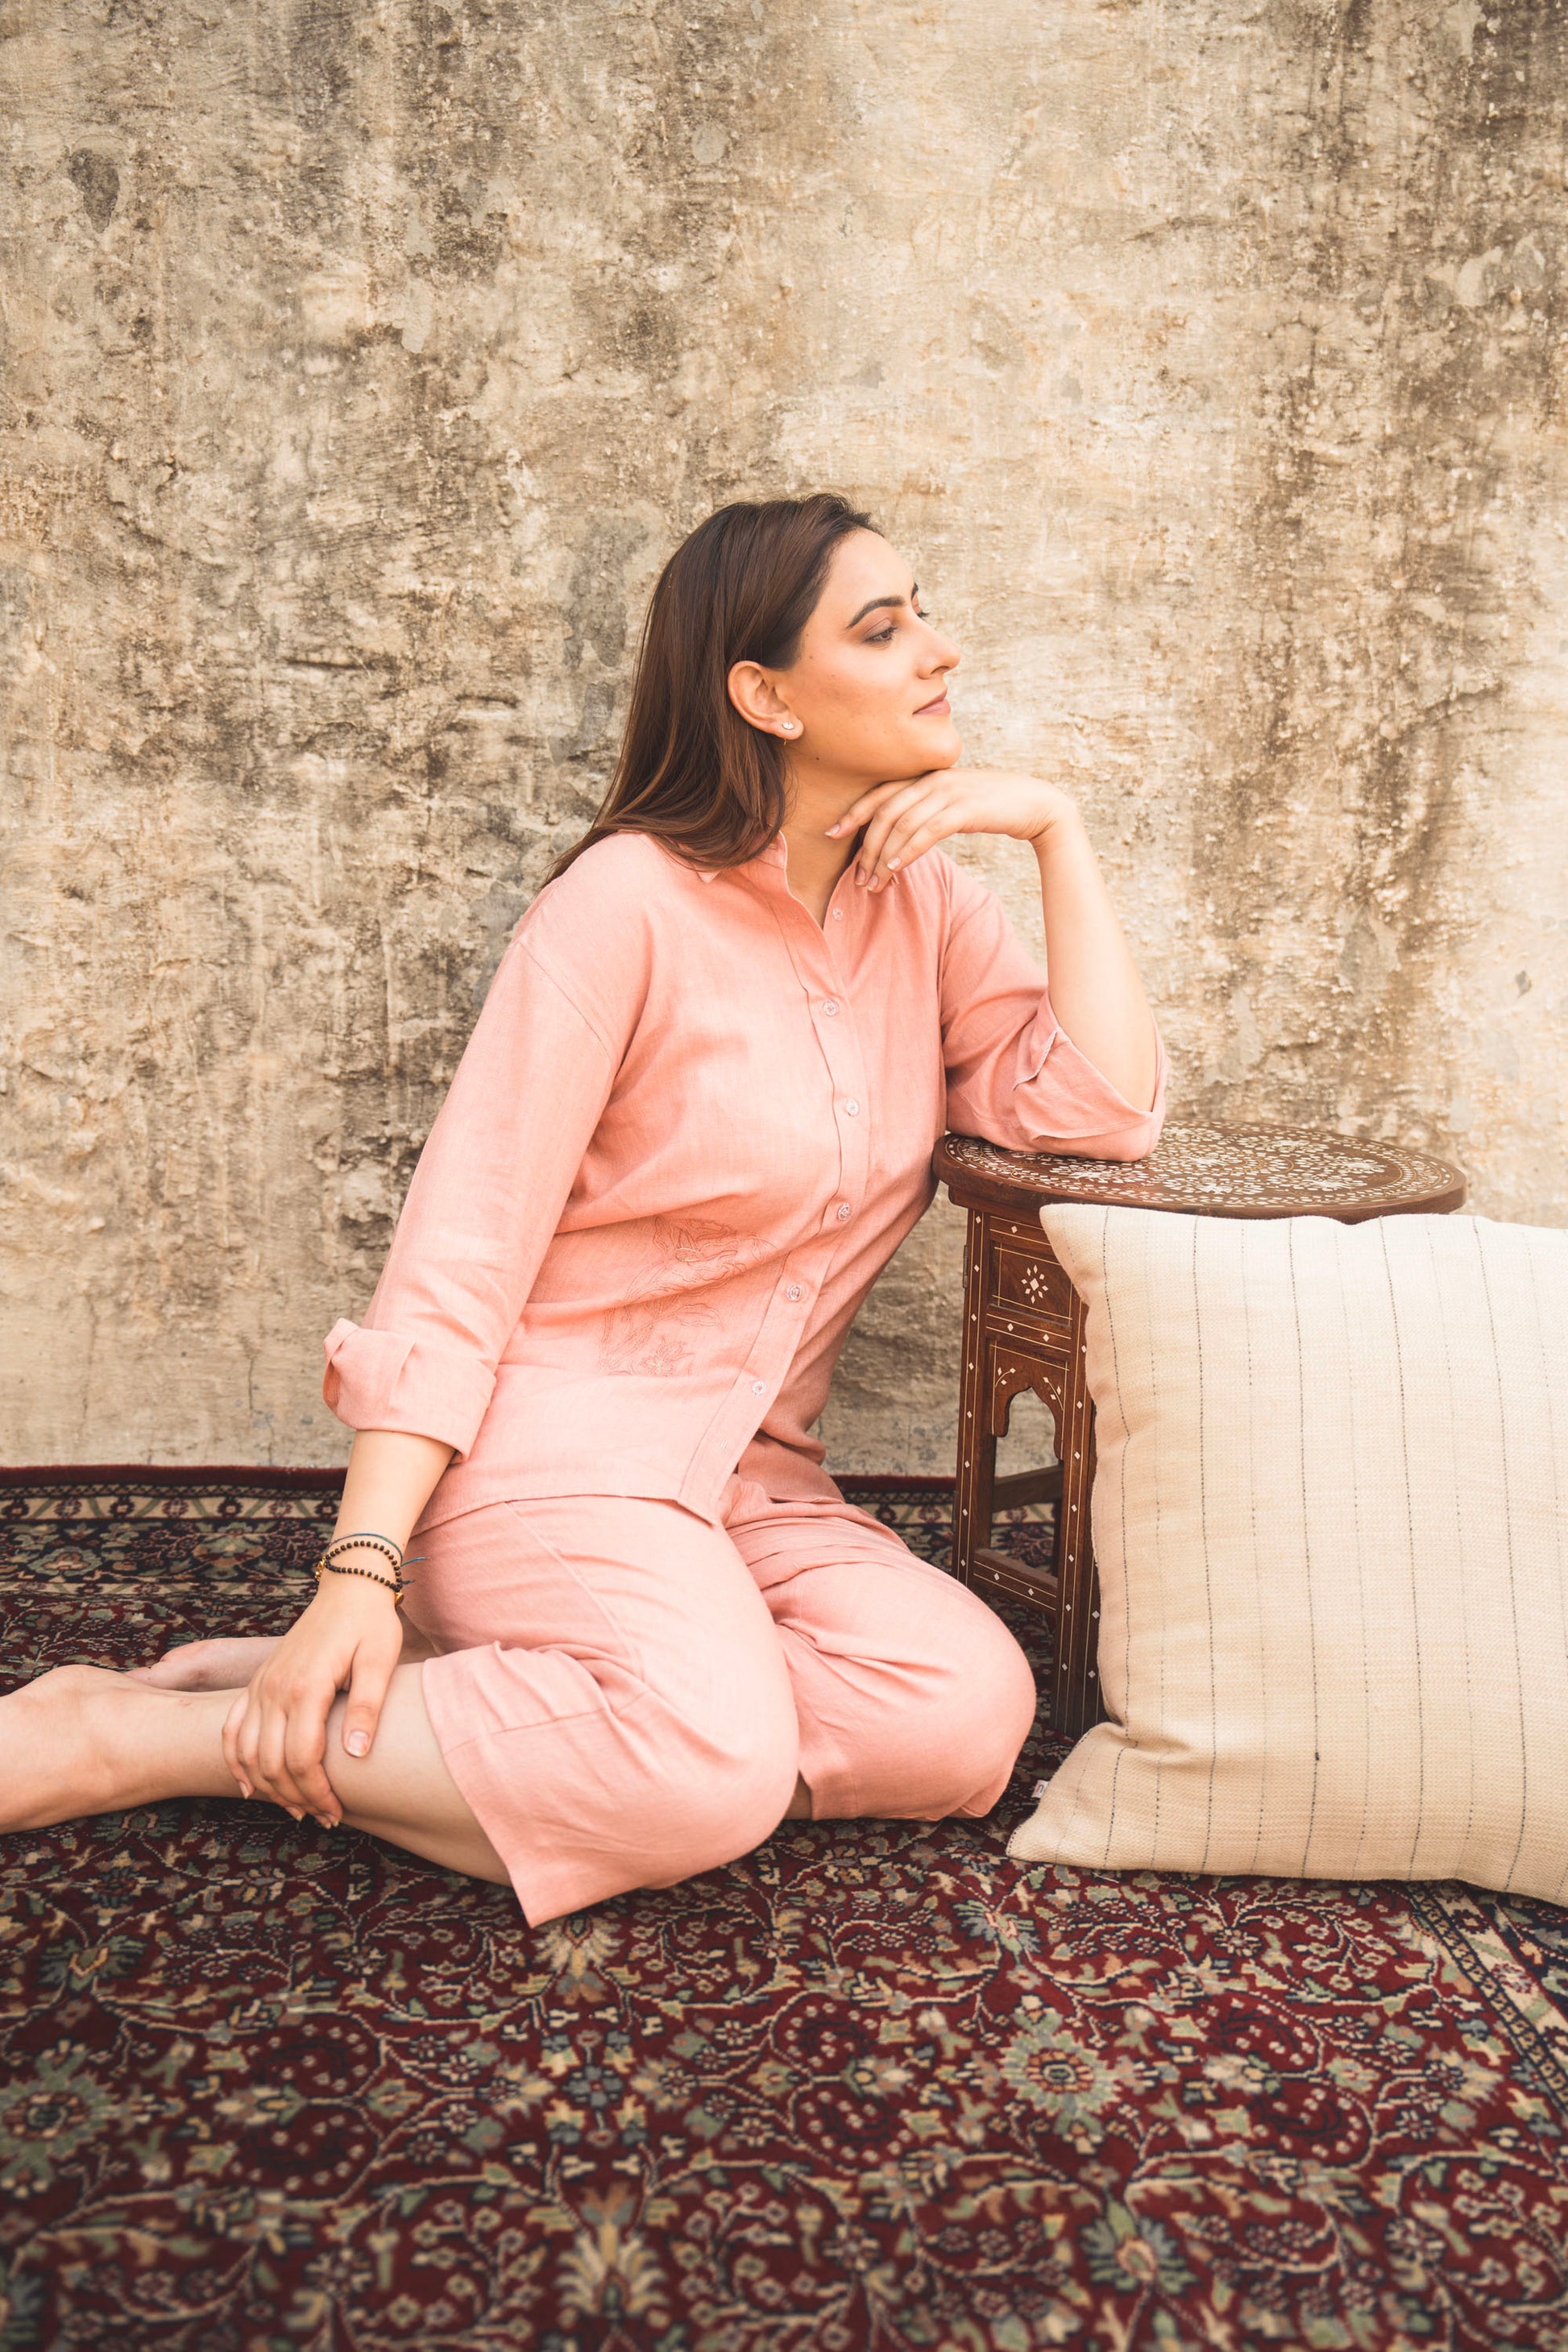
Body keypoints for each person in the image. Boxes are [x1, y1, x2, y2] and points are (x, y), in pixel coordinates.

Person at [1, 495, 1164, 1919]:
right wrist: (359, 1572)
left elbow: (1098, 1112)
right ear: (765, 696)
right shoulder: (620, 907)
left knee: (958, 1713)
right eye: (881, 629)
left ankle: (500, 1703)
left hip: (745, 1480)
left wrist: (1055, 832)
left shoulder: (924, 909)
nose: (940, 650)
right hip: (545, 1462)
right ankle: (144, 1738)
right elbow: (460, 1256)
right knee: (706, 1775)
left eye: (921, 614)